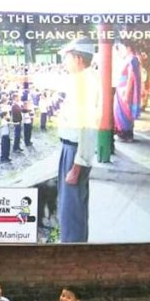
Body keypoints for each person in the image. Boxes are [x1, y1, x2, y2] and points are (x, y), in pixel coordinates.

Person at [57, 38, 100, 243]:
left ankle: (72, 252)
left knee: (72, 210)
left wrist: (78, 164)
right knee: (71, 207)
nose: (65, 62)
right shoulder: (83, 79)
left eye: (67, 58)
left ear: (78, 58)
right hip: (72, 150)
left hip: (75, 152)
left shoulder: (85, 83)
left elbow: (88, 125)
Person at [113, 41, 141, 143]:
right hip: (122, 89)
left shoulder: (132, 59)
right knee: (121, 112)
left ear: (127, 47)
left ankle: (126, 134)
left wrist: (127, 92)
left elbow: (131, 77)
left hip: (125, 90)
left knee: (125, 113)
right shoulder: (129, 59)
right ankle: (124, 133)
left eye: (121, 47)